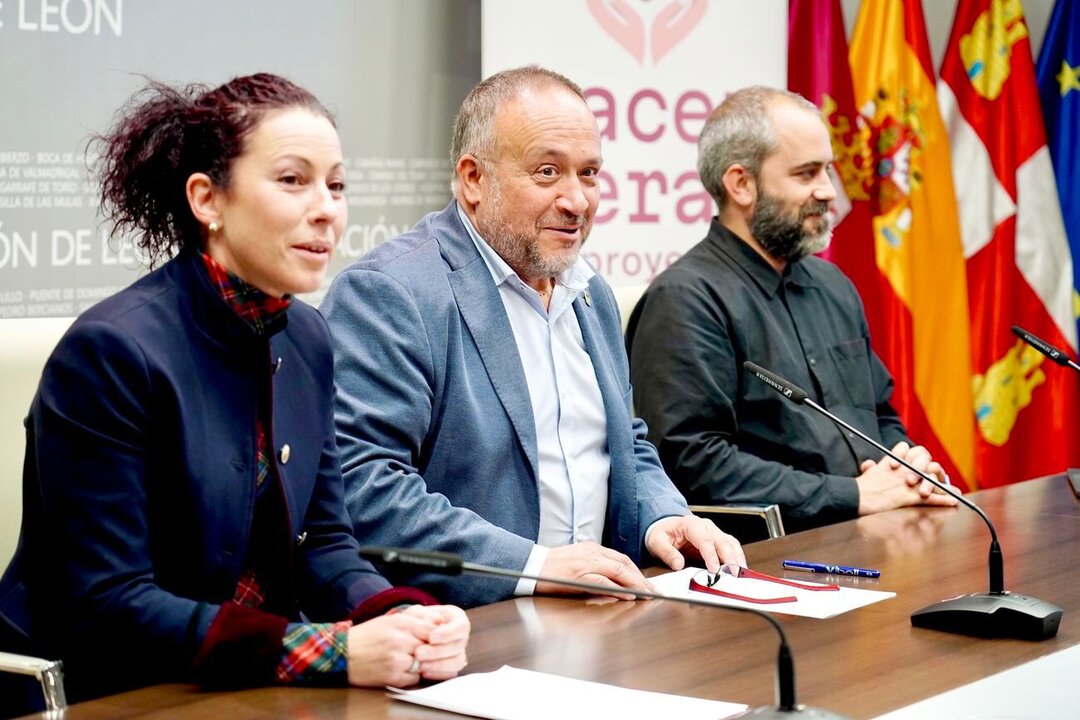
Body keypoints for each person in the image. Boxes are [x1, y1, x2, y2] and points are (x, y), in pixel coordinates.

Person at [0, 73, 468, 708]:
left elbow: (325, 543)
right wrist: (332, 651)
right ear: (207, 200)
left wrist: (398, 617)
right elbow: (110, 604)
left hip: (250, 683)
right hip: (110, 690)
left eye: (336, 185)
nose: (327, 208)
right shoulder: (110, 351)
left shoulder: (306, 336)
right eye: (292, 180)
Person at [320, 66, 745, 608]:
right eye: (548, 173)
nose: (578, 201)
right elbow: (362, 484)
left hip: (605, 615)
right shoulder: (392, 293)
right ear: (474, 179)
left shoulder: (590, 292)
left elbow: (623, 440)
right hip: (468, 623)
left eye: (589, 174)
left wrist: (663, 514)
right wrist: (534, 566)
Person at [625, 86, 959, 530]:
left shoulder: (833, 285)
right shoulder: (685, 300)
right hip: (771, 557)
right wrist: (853, 495)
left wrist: (904, 468)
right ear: (741, 184)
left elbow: (878, 414)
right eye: (806, 175)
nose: (828, 192)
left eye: (827, 171)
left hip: (876, 529)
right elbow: (691, 464)